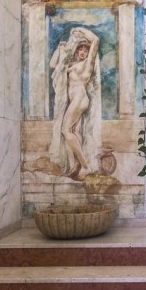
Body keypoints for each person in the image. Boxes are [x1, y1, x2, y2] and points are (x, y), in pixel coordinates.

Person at [48, 27, 102, 180]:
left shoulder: (87, 65)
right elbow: (53, 65)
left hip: (79, 99)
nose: (83, 52)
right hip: (75, 101)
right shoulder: (71, 64)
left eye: (86, 50)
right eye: (81, 49)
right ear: (77, 50)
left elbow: (96, 40)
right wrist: (59, 49)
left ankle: (85, 166)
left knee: (66, 130)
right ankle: (77, 165)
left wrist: (80, 29)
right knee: (75, 132)